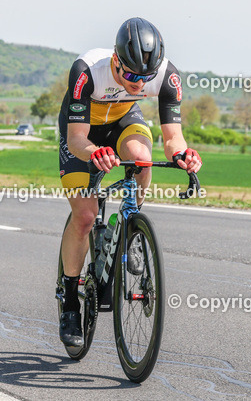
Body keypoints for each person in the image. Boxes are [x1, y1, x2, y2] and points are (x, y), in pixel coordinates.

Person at [57, 17, 202, 348]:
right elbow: (77, 139)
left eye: (146, 77)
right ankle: (70, 302)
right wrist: (95, 152)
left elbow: (173, 138)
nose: (140, 83)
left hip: (123, 120)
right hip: (82, 132)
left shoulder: (167, 76)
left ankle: (132, 229)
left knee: (141, 157)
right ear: (116, 60)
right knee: (85, 216)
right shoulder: (86, 71)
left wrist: (184, 155)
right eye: (132, 76)